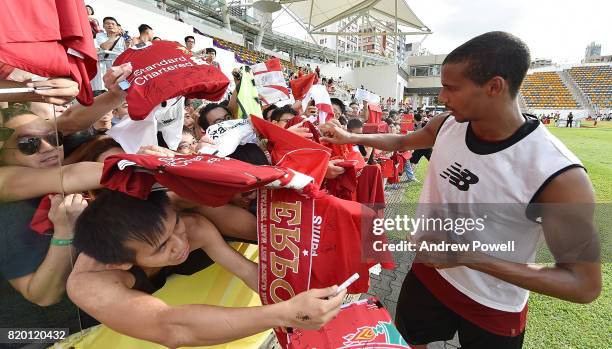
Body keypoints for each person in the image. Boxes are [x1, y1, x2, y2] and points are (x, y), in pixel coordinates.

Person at [321, 31, 601, 348]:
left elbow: (583, 284)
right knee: (410, 340)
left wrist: (466, 257)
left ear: (495, 87)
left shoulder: (558, 175)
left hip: (494, 304)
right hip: (429, 274)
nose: (441, 96)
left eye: (451, 88)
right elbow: (401, 141)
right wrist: (350, 137)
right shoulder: (447, 125)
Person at [66, 189, 346, 348]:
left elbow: (246, 271)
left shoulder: (192, 227)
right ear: (121, 262)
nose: (180, 243)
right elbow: (172, 328)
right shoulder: (89, 284)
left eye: (175, 223)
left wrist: (296, 297)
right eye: (162, 247)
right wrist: (286, 313)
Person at [91, 17, 127, 91]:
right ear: (103, 26)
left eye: (113, 24)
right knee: (105, 87)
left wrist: (127, 40)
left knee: (124, 86)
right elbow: (105, 47)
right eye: (107, 24)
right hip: (105, 64)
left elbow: (127, 51)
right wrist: (114, 36)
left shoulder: (123, 38)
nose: (110, 25)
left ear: (117, 26)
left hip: (120, 64)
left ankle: (126, 98)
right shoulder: (100, 35)